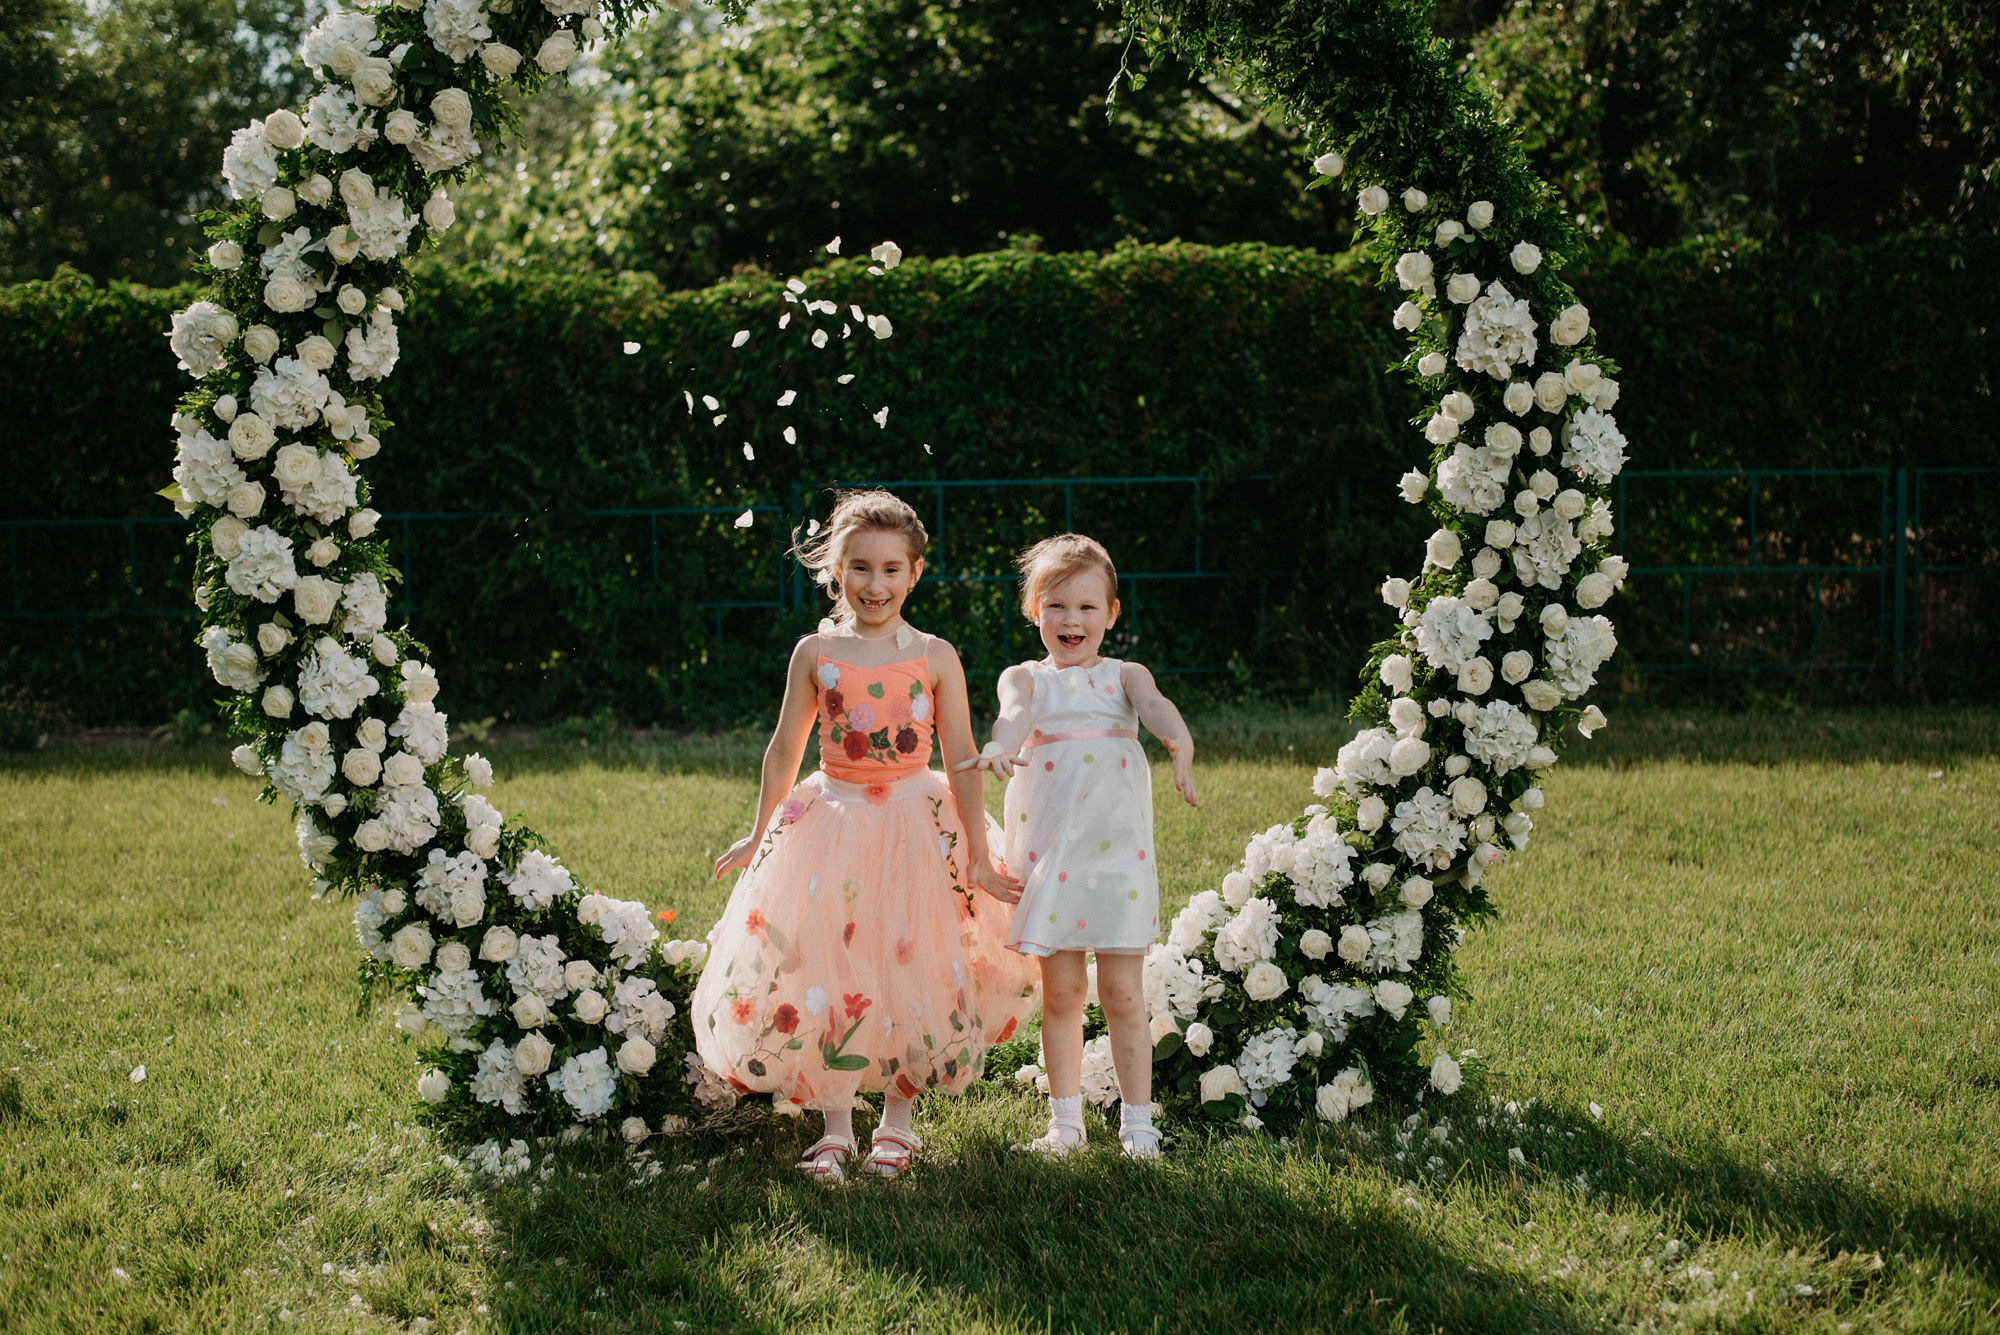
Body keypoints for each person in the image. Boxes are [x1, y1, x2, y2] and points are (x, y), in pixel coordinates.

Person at [692, 489, 1039, 1183]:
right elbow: (785, 748)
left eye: (889, 569)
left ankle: (898, 1122)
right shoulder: (816, 651)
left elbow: (963, 757)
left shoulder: (936, 654)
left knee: (910, 961)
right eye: (859, 568)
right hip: (834, 820)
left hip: (917, 821)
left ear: (914, 573)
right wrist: (758, 832)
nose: (874, 584)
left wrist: (973, 844)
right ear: (835, 572)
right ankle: (836, 1123)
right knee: (830, 966)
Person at [959, 534, 1198, 1159]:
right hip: (1053, 861)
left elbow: (1155, 706)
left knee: (1124, 995)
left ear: (1111, 615)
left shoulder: (1126, 676)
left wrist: (1179, 741)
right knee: (1062, 994)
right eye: (1057, 606)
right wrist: (1000, 746)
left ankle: (1138, 1125)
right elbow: (1010, 716)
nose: (1072, 620)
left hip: (1118, 861)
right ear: (1035, 611)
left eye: (1088, 608)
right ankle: (1065, 1125)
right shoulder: (1027, 680)